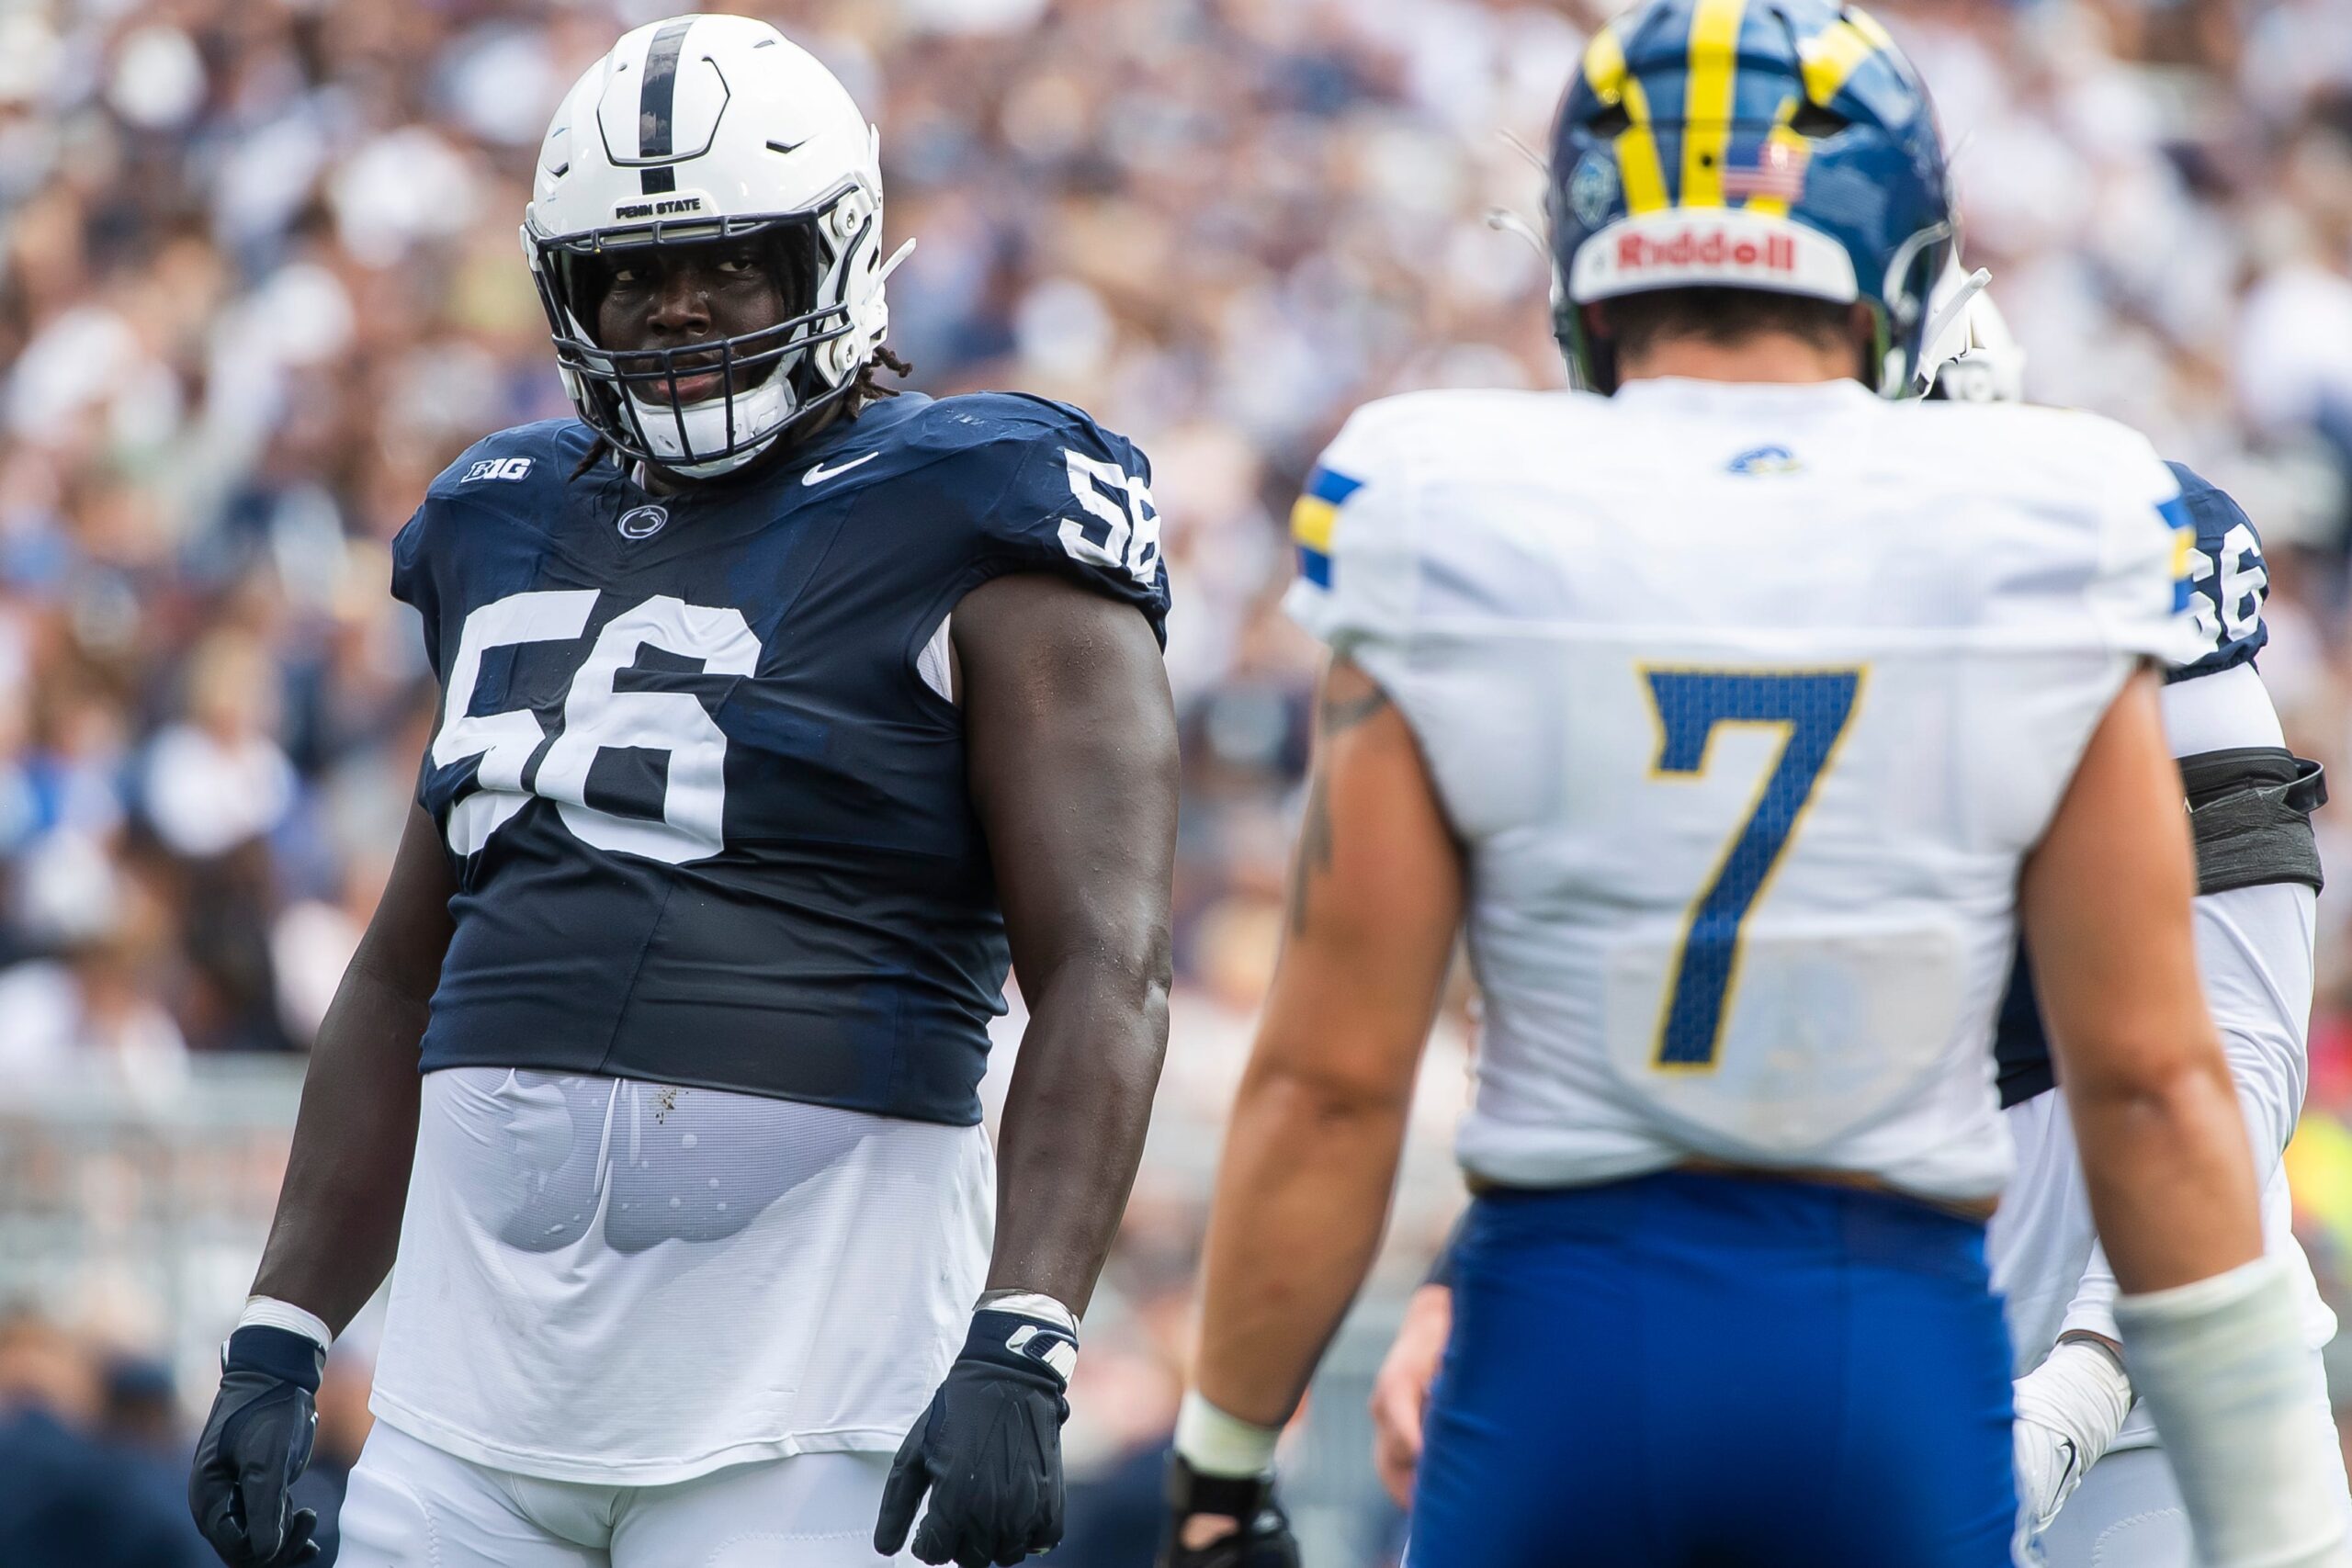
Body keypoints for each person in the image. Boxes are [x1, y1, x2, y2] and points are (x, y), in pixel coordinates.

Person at [1157, 3, 2351, 1564]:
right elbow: (2168, 1089)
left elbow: (1335, 1081)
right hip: (1888, 1322)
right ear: (1908, 274)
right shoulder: (2069, 533)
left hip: (1617, 1329)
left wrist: (1218, 1473)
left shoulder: (1462, 518)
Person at [186, 16, 1178, 1568]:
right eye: (627, 278)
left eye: (732, 262)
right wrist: (281, 1330)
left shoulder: (980, 511)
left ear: (834, 254)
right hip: (463, 1410)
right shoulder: (498, 518)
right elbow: (401, 970)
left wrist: (1027, 1335)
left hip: (802, 1405)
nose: (677, 311)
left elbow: (1106, 967)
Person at [1363, 273, 2351, 1567]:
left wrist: (2070, 1394)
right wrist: (1467, 1270)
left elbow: (2230, 1059)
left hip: (2151, 1374)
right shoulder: (1626, 601)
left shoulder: (2106, 567)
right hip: (1815, 1369)